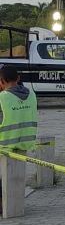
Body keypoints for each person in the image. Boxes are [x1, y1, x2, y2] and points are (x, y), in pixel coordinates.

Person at [0, 66, 38, 203]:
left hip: (4, 146)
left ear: (1, 81)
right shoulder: (32, 94)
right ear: (18, 78)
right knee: (13, 179)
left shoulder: (2, 98)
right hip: (25, 143)